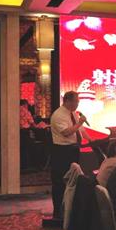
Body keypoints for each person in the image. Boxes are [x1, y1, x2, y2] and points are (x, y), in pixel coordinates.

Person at [49, 91, 91, 219]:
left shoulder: (73, 113)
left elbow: (80, 130)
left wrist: (92, 141)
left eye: (78, 102)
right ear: (67, 101)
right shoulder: (58, 115)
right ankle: (58, 212)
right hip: (62, 151)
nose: (77, 104)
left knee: (73, 180)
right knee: (60, 181)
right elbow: (66, 132)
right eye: (76, 101)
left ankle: (69, 210)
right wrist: (79, 123)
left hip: (73, 150)